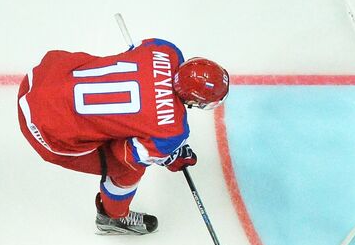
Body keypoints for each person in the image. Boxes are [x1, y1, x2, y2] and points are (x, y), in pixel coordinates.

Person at [18, 37, 229, 234]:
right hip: (45, 132)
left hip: (42, 79)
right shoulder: (173, 130)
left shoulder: (165, 49)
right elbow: (124, 155)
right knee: (128, 169)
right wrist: (167, 155)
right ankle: (112, 217)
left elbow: (132, 55)